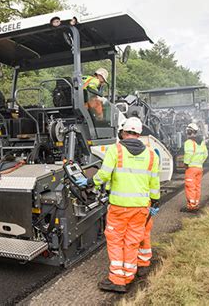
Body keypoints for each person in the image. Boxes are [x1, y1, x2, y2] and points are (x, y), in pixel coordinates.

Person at [77, 117, 160, 292]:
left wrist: (90, 182)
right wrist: (155, 201)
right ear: (139, 133)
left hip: (119, 207)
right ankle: (128, 275)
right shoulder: (152, 154)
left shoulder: (116, 150)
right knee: (132, 241)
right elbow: (154, 182)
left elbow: (104, 175)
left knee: (115, 241)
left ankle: (117, 280)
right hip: (141, 208)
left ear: (123, 132)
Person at [181, 123, 208, 212]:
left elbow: (189, 153)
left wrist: (186, 163)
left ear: (189, 132)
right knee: (197, 186)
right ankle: (196, 203)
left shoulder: (189, 142)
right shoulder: (202, 142)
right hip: (199, 168)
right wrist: (200, 162)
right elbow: (206, 155)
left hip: (191, 168)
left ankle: (191, 206)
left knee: (190, 186)